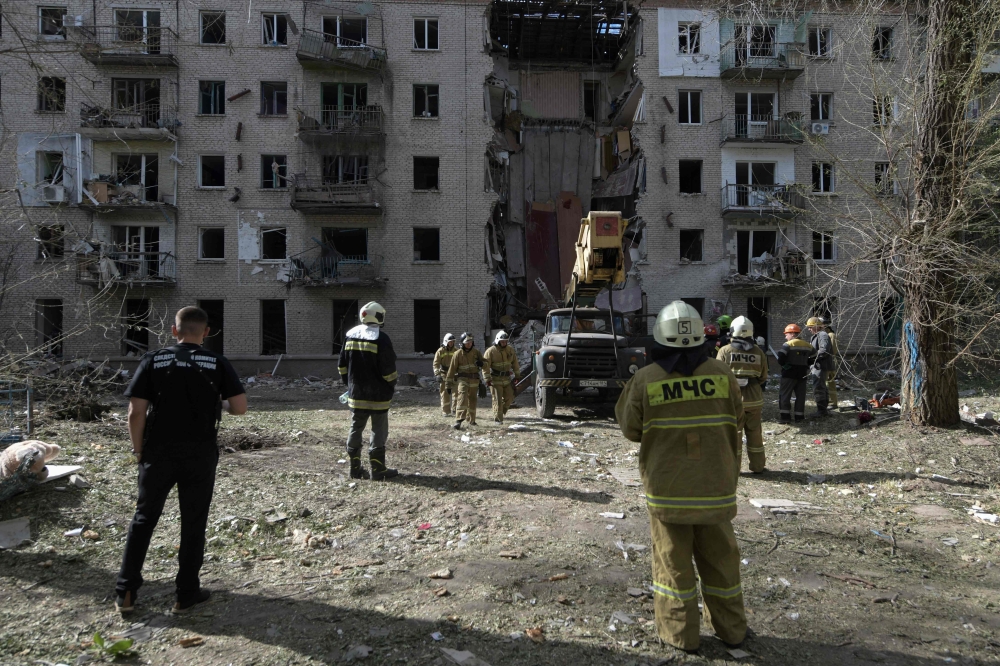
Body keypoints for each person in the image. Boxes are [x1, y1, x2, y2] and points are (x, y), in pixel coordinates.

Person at [615, 301, 747, 653]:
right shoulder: (723, 375)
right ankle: (732, 630)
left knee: (673, 568)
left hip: (669, 494)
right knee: (722, 564)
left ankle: (681, 636)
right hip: (716, 489)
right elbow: (738, 420)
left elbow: (630, 429)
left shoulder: (645, 379)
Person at [116, 306, 247, 615]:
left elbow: (135, 412)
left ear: (174, 331)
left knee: (144, 518)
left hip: (157, 452)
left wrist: (138, 451)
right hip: (199, 454)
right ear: (206, 332)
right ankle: (186, 594)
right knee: (193, 521)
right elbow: (239, 407)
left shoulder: (153, 360)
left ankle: (126, 591)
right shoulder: (216, 362)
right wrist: (218, 402)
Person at [338, 301, 398, 480]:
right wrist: (391, 385)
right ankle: (378, 470)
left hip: (356, 395)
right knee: (378, 429)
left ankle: (355, 468)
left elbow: (342, 366)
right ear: (379, 316)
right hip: (378, 396)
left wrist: (349, 386)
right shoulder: (382, 338)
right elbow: (389, 370)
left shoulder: (350, 336)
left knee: (356, 427)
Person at [717, 316, 770, 473]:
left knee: (735, 434)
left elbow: (717, 376)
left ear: (732, 331)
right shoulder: (759, 352)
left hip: (732, 401)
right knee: (755, 433)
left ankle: (734, 468)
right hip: (754, 399)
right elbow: (763, 376)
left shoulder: (725, 351)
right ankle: (758, 466)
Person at [776, 324, 816, 423]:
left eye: (787, 334)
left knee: (785, 395)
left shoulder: (788, 344)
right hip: (802, 374)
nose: (786, 337)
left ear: (793, 334)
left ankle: (785, 417)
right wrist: (806, 363)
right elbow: (815, 357)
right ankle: (799, 417)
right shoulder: (808, 345)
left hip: (789, 374)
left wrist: (785, 365)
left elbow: (780, 358)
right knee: (800, 396)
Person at [447, 332, 484, 429]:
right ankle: (458, 420)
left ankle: (471, 420)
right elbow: (451, 370)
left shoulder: (476, 352)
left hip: (474, 380)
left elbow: (486, 363)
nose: (469, 344)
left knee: (473, 400)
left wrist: (482, 363)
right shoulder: (457, 354)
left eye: (471, 342)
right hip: (462, 380)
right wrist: (448, 385)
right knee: (462, 398)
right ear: (462, 343)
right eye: (467, 342)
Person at [483, 330, 520, 424]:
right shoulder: (490, 351)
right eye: (502, 341)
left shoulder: (510, 350)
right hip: (495, 379)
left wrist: (517, 376)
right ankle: (498, 419)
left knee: (510, 397)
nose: (504, 343)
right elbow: (485, 366)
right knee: (497, 400)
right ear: (497, 341)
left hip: (507, 379)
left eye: (506, 341)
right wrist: (487, 379)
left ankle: (500, 412)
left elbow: (515, 363)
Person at [806, 316, 834, 416]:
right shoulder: (817, 335)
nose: (809, 329)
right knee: (822, 387)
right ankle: (823, 410)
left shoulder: (822, 335)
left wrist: (811, 358)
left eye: (811, 327)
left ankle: (821, 411)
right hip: (818, 365)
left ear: (817, 326)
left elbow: (824, 350)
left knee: (819, 388)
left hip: (820, 366)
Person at [433, 333, 458, 416]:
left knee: (456, 393)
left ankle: (455, 410)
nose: (451, 343)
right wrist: (437, 374)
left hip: (454, 374)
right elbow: (436, 364)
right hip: (444, 374)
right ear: (446, 342)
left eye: (453, 342)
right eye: (450, 342)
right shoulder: (440, 351)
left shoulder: (456, 351)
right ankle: (446, 411)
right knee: (445, 393)